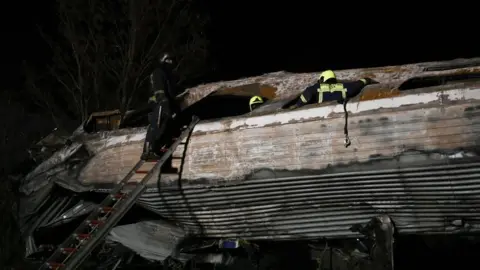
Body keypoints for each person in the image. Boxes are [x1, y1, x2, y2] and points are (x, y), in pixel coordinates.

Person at [141, 53, 178, 161]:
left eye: (171, 61)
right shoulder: (158, 72)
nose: (170, 63)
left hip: (163, 103)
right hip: (159, 102)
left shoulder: (166, 74)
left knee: (162, 125)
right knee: (156, 124)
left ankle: (155, 148)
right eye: (168, 60)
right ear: (163, 60)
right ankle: (149, 150)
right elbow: (159, 88)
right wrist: (163, 100)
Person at [295, 70, 378, 108]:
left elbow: (299, 104)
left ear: (322, 79)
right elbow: (359, 83)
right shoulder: (344, 86)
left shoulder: (313, 89)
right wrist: (368, 80)